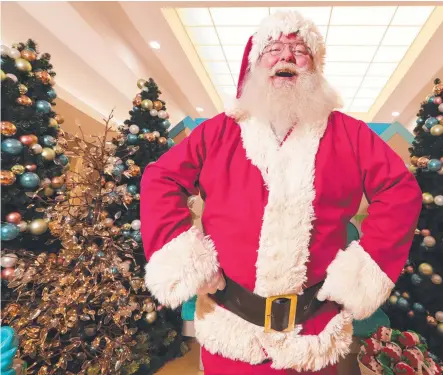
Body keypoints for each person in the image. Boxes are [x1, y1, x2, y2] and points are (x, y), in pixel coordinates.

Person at [140, 10, 422, 375]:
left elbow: (400, 189)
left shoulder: (349, 133)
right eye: (273, 47)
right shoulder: (218, 131)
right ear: (256, 64)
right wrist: (187, 256)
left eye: (299, 49)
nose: (286, 56)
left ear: (314, 68)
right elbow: (160, 178)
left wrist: (365, 266)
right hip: (230, 331)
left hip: (313, 337)